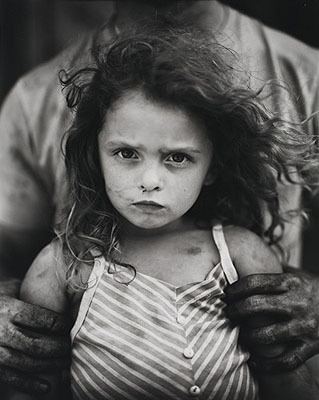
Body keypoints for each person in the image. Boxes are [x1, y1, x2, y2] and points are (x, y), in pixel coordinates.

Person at [1, 0, 319, 395]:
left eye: (179, 158)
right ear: (93, 154)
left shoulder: (307, 73)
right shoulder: (62, 265)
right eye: (126, 153)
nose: (150, 181)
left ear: (213, 166)